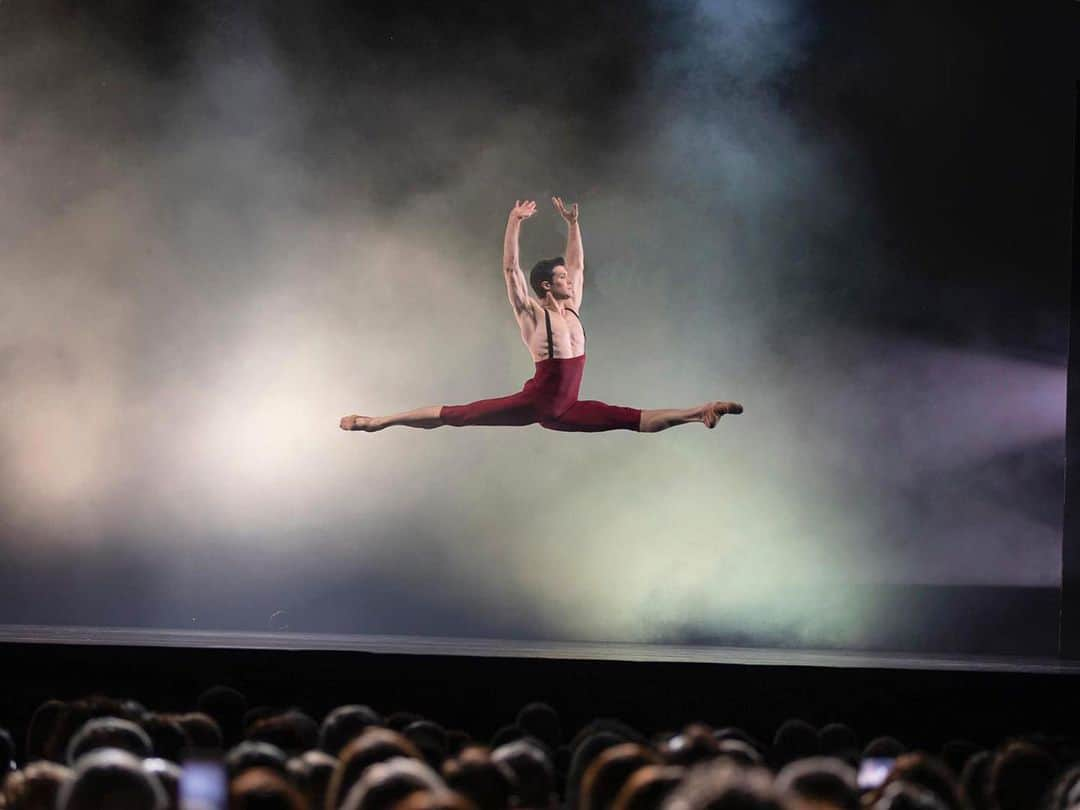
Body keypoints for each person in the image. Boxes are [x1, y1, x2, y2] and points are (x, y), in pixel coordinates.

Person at [341, 198, 742, 435]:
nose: (570, 281)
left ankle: (700, 412)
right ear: (547, 287)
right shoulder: (532, 315)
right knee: (456, 415)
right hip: (534, 404)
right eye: (562, 279)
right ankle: (378, 422)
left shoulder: (572, 308)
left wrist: (573, 224)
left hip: (568, 409)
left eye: (568, 278)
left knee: (633, 420)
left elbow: (579, 264)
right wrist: (514, 222)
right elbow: (510, 270)